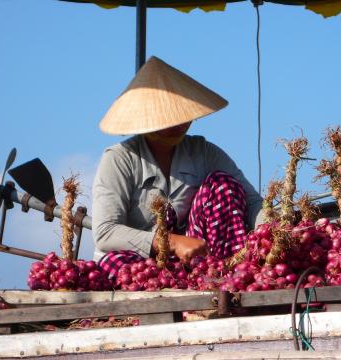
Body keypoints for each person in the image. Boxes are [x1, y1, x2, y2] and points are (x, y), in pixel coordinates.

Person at [92, 56, 263, 279]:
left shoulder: (204, 152)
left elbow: (252, 202)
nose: (178, 125)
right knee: (120, 266)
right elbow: (106, 233)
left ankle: (227, 276)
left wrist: (273, 232)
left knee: (224, 185)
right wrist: (171, 242)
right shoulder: (119, 159)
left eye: (182, 117)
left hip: (197, 263)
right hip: (139, 262)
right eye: (167, 120)